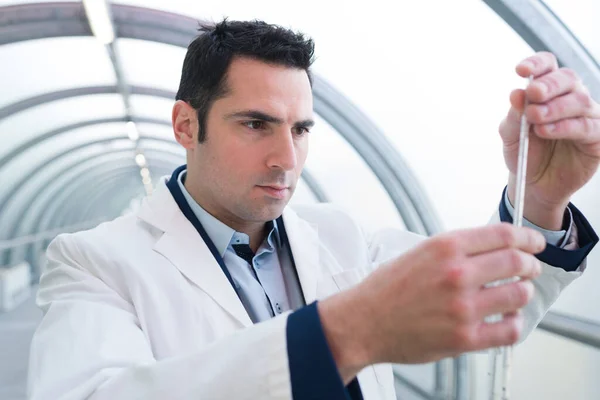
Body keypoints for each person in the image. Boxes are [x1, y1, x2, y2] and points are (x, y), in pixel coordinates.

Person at [27, 19, 600, 400]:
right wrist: (346, 333)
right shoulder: (93, 262)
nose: (286, 159)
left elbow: (487, 305)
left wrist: (543, 199)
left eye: (300, 130)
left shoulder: (341, 237)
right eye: (256, 125)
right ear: (185, 125)